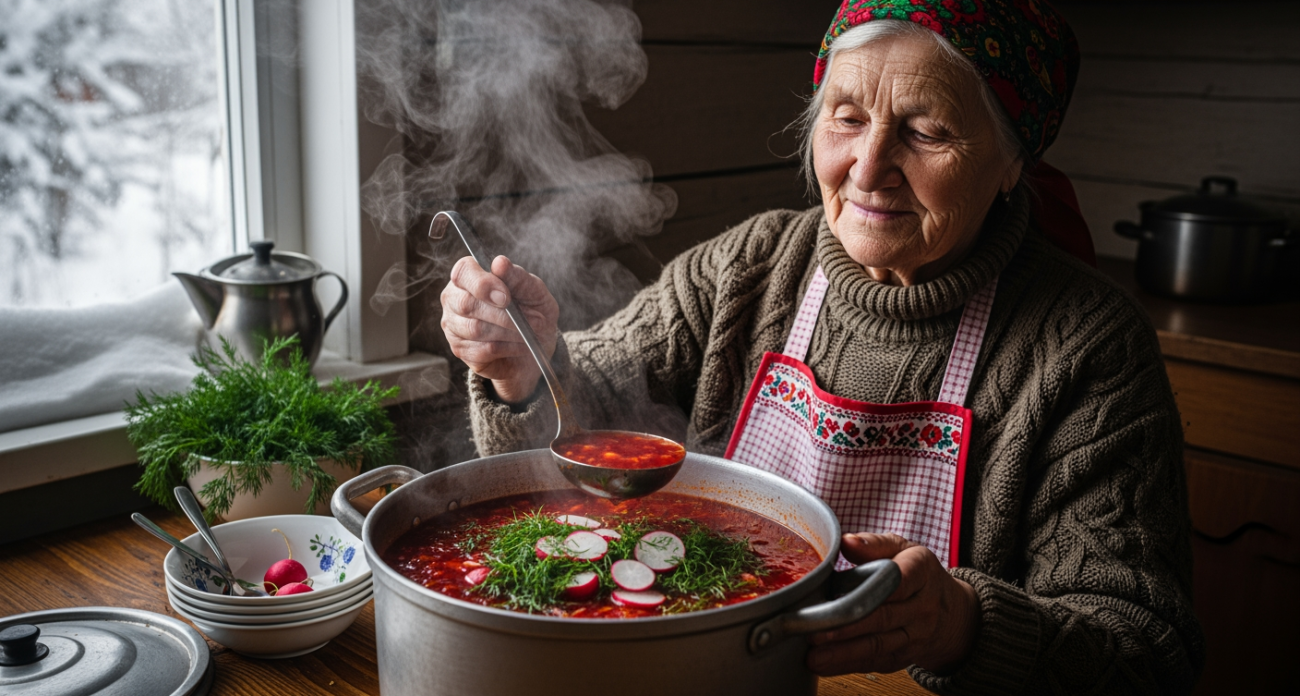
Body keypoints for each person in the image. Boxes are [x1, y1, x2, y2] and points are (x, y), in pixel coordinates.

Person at [438, 1, 1203, 693]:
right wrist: (524, 368)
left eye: (926, 131)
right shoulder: (750, 265)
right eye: (845, 119)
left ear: (1011, 163)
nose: (869, 169)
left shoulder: (1087, 346)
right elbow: (584, 425)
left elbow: (1143, 651)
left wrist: (961, 624)